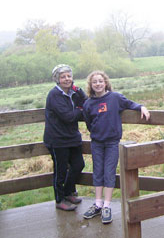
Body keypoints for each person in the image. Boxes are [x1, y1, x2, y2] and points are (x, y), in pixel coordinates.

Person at [82, 70, 150, 224]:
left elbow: (131, 104)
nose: (98, 84)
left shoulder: (115, 98)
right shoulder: (88, 103)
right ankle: (98, 204)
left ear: (105, 82)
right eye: (95, 82)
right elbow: (88, 123)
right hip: (97, 143)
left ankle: (107, 205)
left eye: (100, 81)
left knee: (109, 172)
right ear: (91, 85)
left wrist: (142, 107)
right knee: (97, 171)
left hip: (112, 142)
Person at [44, 64, 87, 211]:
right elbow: (68, 116)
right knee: (60, 171)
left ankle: (68, 193)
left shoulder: (73, 92)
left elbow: (86, 102)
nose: (67, 79)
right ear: (57, 79)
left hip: (72, 137)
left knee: (78, 165)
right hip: (57, 139)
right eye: (63, 77)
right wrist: (80, 109)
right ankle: (59, 200)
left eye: (69, 76)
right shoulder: (54, 95)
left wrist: (79, 91)